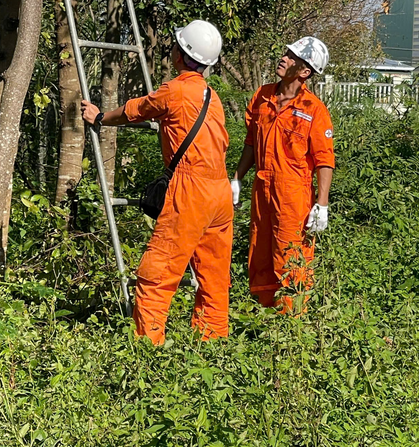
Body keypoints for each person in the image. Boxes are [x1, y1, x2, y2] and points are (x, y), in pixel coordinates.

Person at [81, 20, 233, 343]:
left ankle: (148, 353)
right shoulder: (213, 97)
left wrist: (98, 117)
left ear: (181, 55)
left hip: (191, 189)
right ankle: (214, 344)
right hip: (220, 192)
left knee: (157, 274)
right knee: (214, 278)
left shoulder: (175, 90)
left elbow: (134, 111)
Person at [231, 36, 334, 314]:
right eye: (286, 53)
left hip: (294, 195)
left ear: (304, 72)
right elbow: (251, 142)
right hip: (262, 187)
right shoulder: (262, 96)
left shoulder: (314, 110)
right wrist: (237, 177)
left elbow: (324, 160)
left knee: (290, 255)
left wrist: (321, 205)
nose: (284, 58)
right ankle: (263, 314)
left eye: (292, 57)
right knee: (261, 250)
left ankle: (291, 319)